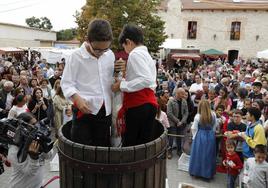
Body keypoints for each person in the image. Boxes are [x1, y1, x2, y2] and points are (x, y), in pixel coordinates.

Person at [61, 19, 115, 146]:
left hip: (105, 111)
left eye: (105, 49)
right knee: (82, 151)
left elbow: (110, 80)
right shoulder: (76, 56)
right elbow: (66, 83)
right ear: (88, 40)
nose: (101, 53)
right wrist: (76, 99)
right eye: (97, 50)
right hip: (83, 111)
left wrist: (119, 71)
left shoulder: (110, 55)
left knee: (102, 150)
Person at [111, 24, 158, 146]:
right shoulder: (146, 55)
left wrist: (121, 85)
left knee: (131, 146)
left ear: (128, 42)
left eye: (124, 46)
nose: (125, 50)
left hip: (138, 104)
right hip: (149, 103)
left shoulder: (135, 54)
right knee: (143, 145)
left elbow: (145, 79)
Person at [7, 112, 52, 188]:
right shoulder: (14, 150)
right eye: (33, 125)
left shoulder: (36, 140)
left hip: (38, 185)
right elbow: (29, 172)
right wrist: (33, 157)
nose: (37, 128)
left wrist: (44, 147)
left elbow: (49, 157)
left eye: (36, 124)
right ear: (22, 128)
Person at [189, 99, 217, 179]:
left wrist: (194, 137)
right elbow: (214, 127)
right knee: (208, 155)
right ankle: (207, 173)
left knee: (198, 154)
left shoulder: (198, 116)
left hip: (200, 135)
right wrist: (212, 133)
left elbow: (194, 128)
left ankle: (196, 172)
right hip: (210, 135)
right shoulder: (213, 114)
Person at [166, 88, 189, 158]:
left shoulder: (184, 101)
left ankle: (179, 150)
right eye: (182, 93)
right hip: (173, 123)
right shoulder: (171, 101)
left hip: (181, 123)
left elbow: (186, 113)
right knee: (171, 137)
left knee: (179, 137)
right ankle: (169, 151)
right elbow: (169, 113)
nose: (184, 95)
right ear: (178, 93)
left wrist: (181, 121)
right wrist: (177, 121)